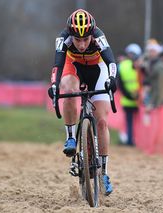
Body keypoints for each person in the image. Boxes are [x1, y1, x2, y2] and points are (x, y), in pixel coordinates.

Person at [48, 9, 117, 195]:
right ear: (70, 35)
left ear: (91, 35)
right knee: (69, 89)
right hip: (74, 67)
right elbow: (57, 65)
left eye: (85, 39)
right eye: (77, 40)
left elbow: (111, 62)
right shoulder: (63, 39)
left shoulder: (99, 36)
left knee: (101, 121)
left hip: (98, 69)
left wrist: (112, 79)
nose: (81, 44)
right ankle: (71, 136)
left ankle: (104, 172)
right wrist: (54, 85)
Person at [117, 43, 141, 146]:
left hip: (128, 99)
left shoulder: (122, 65)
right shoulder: (140, 65)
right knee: (138, 122)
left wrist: (128, 95)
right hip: (139, 99)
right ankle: (134, 141)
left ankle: (130, 140)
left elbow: (120, 84)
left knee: (130, 122)